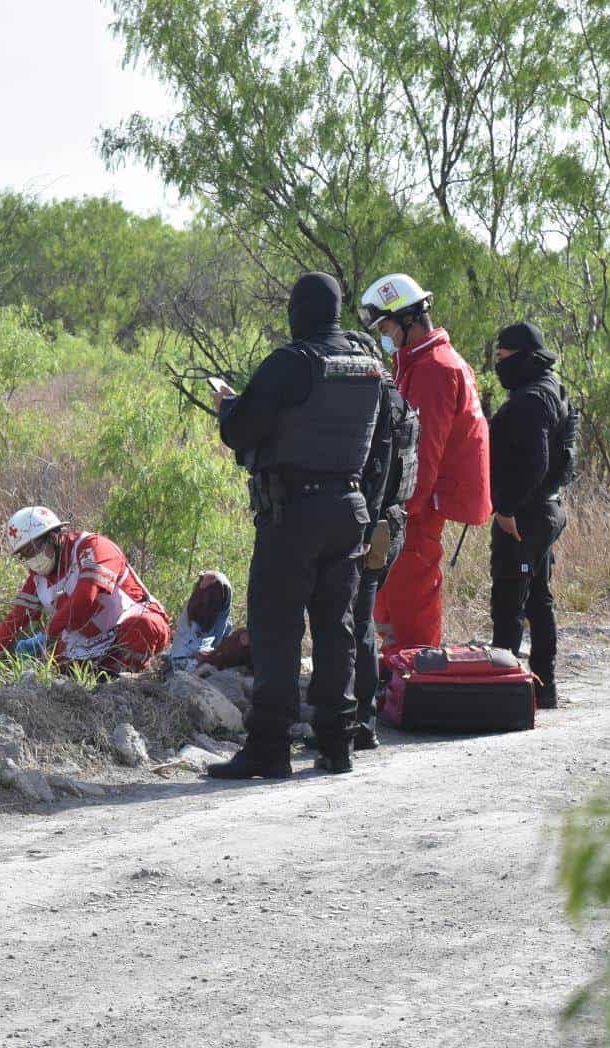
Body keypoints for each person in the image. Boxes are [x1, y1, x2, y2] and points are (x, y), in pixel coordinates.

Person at [207, 272, 386, 778]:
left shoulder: (292, 362)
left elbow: (241, 429)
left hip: (293, 514)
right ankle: (337, 744)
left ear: (298, 310)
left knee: (277, 631)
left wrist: (228, 405)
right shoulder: (369, 363)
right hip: (350, 509)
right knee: (338, 629)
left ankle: (270, 749)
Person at [357, 274, 491, 653]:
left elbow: (423, 453)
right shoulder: (420, 362)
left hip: (418, 508)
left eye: (386, 327)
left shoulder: (434, 369)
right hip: (411, 506)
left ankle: (415, 685)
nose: (385, 336)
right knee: (390, 601)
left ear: (408, 320)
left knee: (410, 603)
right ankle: (394, 678)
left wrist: (401, 511)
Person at [488, 322, 576, 709]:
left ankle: (506, 693)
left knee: (510, 601)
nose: (497, 364)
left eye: (503, 358)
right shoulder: (552, 388)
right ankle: (544, 689)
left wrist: (506, 510)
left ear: (523, 358)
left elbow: (536, 464)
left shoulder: (529, 400)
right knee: (539, 599)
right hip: (548, 509)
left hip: (526, 515)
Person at [0, 506, 171, 674]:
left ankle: (132, 676)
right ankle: (102, 678)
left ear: (53, 537)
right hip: (91, 641)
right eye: (25, 555)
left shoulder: (93, 547)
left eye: (33, 549)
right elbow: (17, 617)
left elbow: (85, 598)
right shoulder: (38, 578)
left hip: (132, 622)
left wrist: (47, 635)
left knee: (142, 626)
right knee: (55, 662)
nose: (32, 559)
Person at [345, 332, 419, 749]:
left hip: (373, 527)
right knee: (362, 620)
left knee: (355, 624)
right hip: (392, 524)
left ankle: (359, 724)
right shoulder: (399, 399)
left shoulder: (375, 401)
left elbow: (374, 472)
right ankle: (362, 721)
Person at [168, 571, 234, 671]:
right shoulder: (194, 609)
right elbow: (186, 643)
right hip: (183, 654)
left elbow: (220, 628)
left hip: (205, 646)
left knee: (228, 625)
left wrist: (213, 652)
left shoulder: (222, 599)